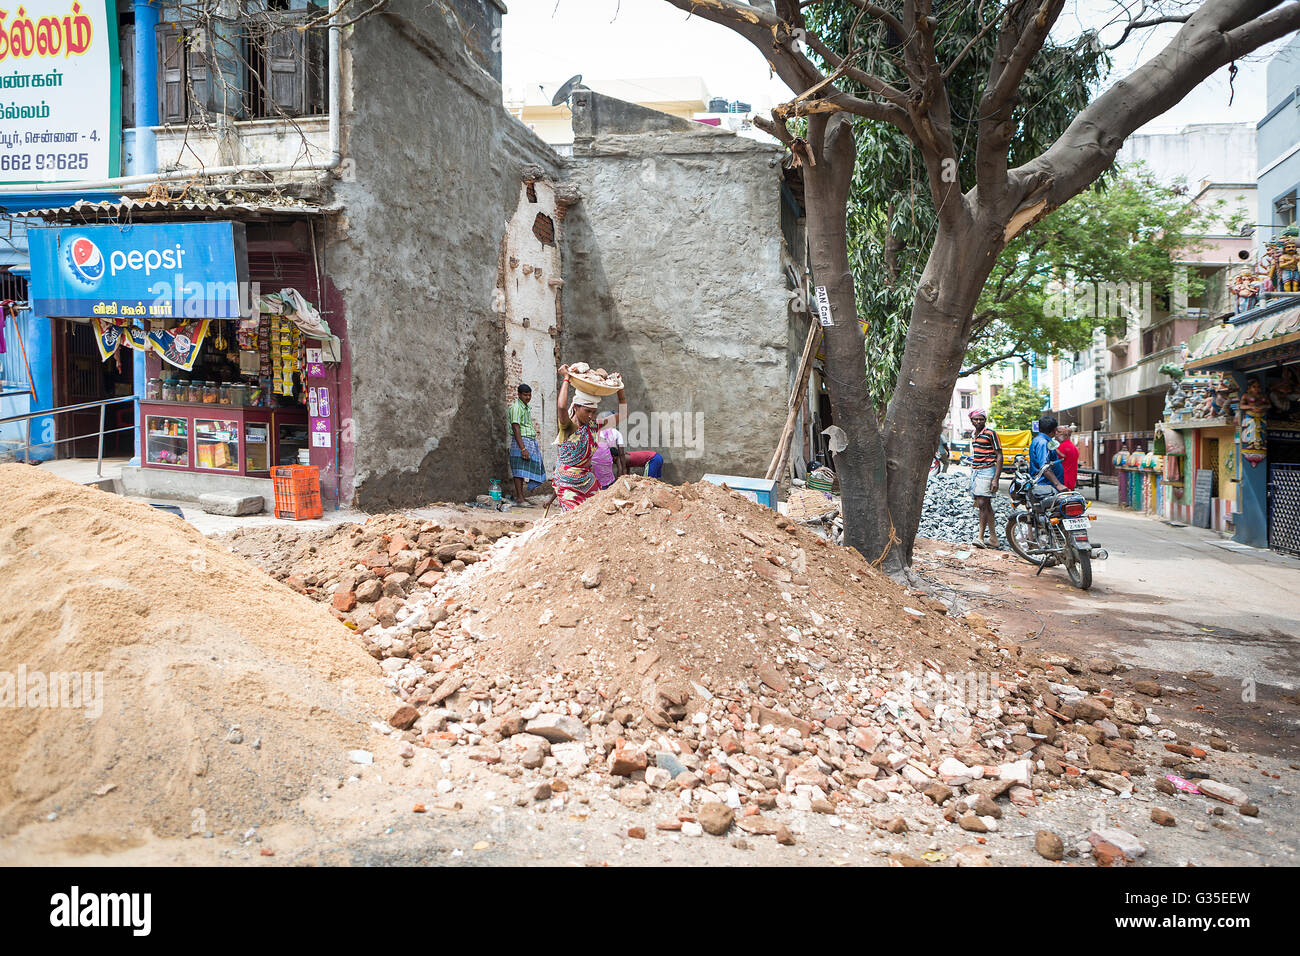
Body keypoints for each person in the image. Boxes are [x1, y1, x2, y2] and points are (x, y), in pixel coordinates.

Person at [553, 365, 626, 510]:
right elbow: (561, 407)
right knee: (572, 518)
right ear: (576, 407)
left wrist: (620, 388)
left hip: (587, 479)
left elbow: (623, 414)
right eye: (587, 411)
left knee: (596, 514)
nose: (591, 416)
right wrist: (566, 379)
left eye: (594, 412)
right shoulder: (568, 426)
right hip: (567, 481)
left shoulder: (595, 426)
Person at [507, 383, 549, 505]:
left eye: (529, 395)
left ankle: (522, 496)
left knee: (532, 466)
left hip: (529, 440)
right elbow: (516, 428)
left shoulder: (525, 407)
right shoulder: (516, 408)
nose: (528, 397)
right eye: (525, 395)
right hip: (521, 441)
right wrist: (523, 448)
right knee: (518, 470)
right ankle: (520, 498)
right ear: (519, 394)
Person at [967, 408, 1002, 548]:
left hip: (987, 471)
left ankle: (980, 537)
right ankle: (993, 538)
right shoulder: (973, 434)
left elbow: (999, 455)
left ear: (985, 420)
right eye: (976, 419)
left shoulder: (990, 433)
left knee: (982, 503)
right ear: (971, 420)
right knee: (985, 505)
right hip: (976, 471)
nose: (978, 421)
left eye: (981, 419)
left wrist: (996, 478)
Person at [1030, 415, 1068, 497]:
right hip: (1046, 487)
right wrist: (1058, 484)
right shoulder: (1043, 443)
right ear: (1054, 430)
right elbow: (1044, 466)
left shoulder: (1040, 440)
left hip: (1047, 485)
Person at [591, 412, 628, 489]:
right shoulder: (617, 433)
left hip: (592, 461)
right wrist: (624, 471)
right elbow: (621, 454)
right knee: (607, 481)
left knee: (596, 482)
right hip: (605, 463)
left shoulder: (594, 431)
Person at [1055, 424, 1079, 491]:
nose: (1056, 434)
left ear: (1065, 435)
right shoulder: (1073, 447)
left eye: (1059, 432)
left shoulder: (1062, 447)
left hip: (1063, 480)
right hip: (1071, 479)